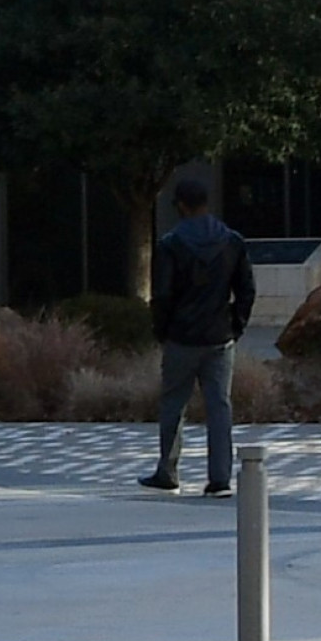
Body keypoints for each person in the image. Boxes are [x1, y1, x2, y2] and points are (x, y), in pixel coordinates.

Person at [142, 174, 254, 496]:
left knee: (173, 403)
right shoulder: (232, 241)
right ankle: (220, 478)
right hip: (219, 337)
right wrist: (236, 325)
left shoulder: (171, 244)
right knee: (219, 405)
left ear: (180, 205)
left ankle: (168, 469)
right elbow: (246, 290)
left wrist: (161, 330)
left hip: (181, 336)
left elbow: (162, 296)